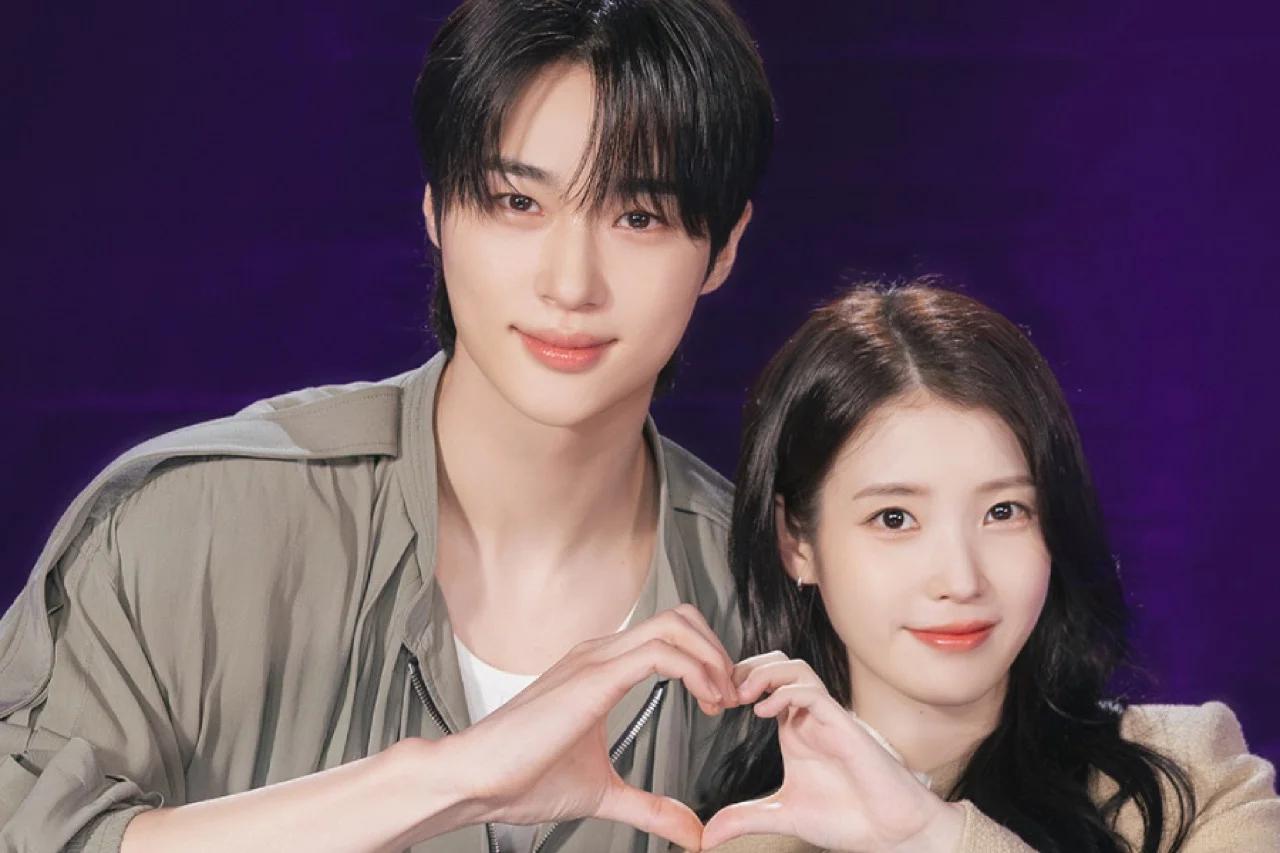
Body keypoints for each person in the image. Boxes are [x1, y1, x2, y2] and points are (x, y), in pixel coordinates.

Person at [0, 1, 773, 851]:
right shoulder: (190, 528)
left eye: (638, 218)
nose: (570, 282)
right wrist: (442, 779)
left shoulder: (772, 603)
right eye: (517, 201)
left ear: (725, 245)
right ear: (437, 209)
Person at [694, 282, 1280, 852]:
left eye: (1004, 511)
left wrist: (932, 837)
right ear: (797, 542)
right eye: (894, 518)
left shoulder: (1191, 778)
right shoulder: (742, 841)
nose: (961, 580)